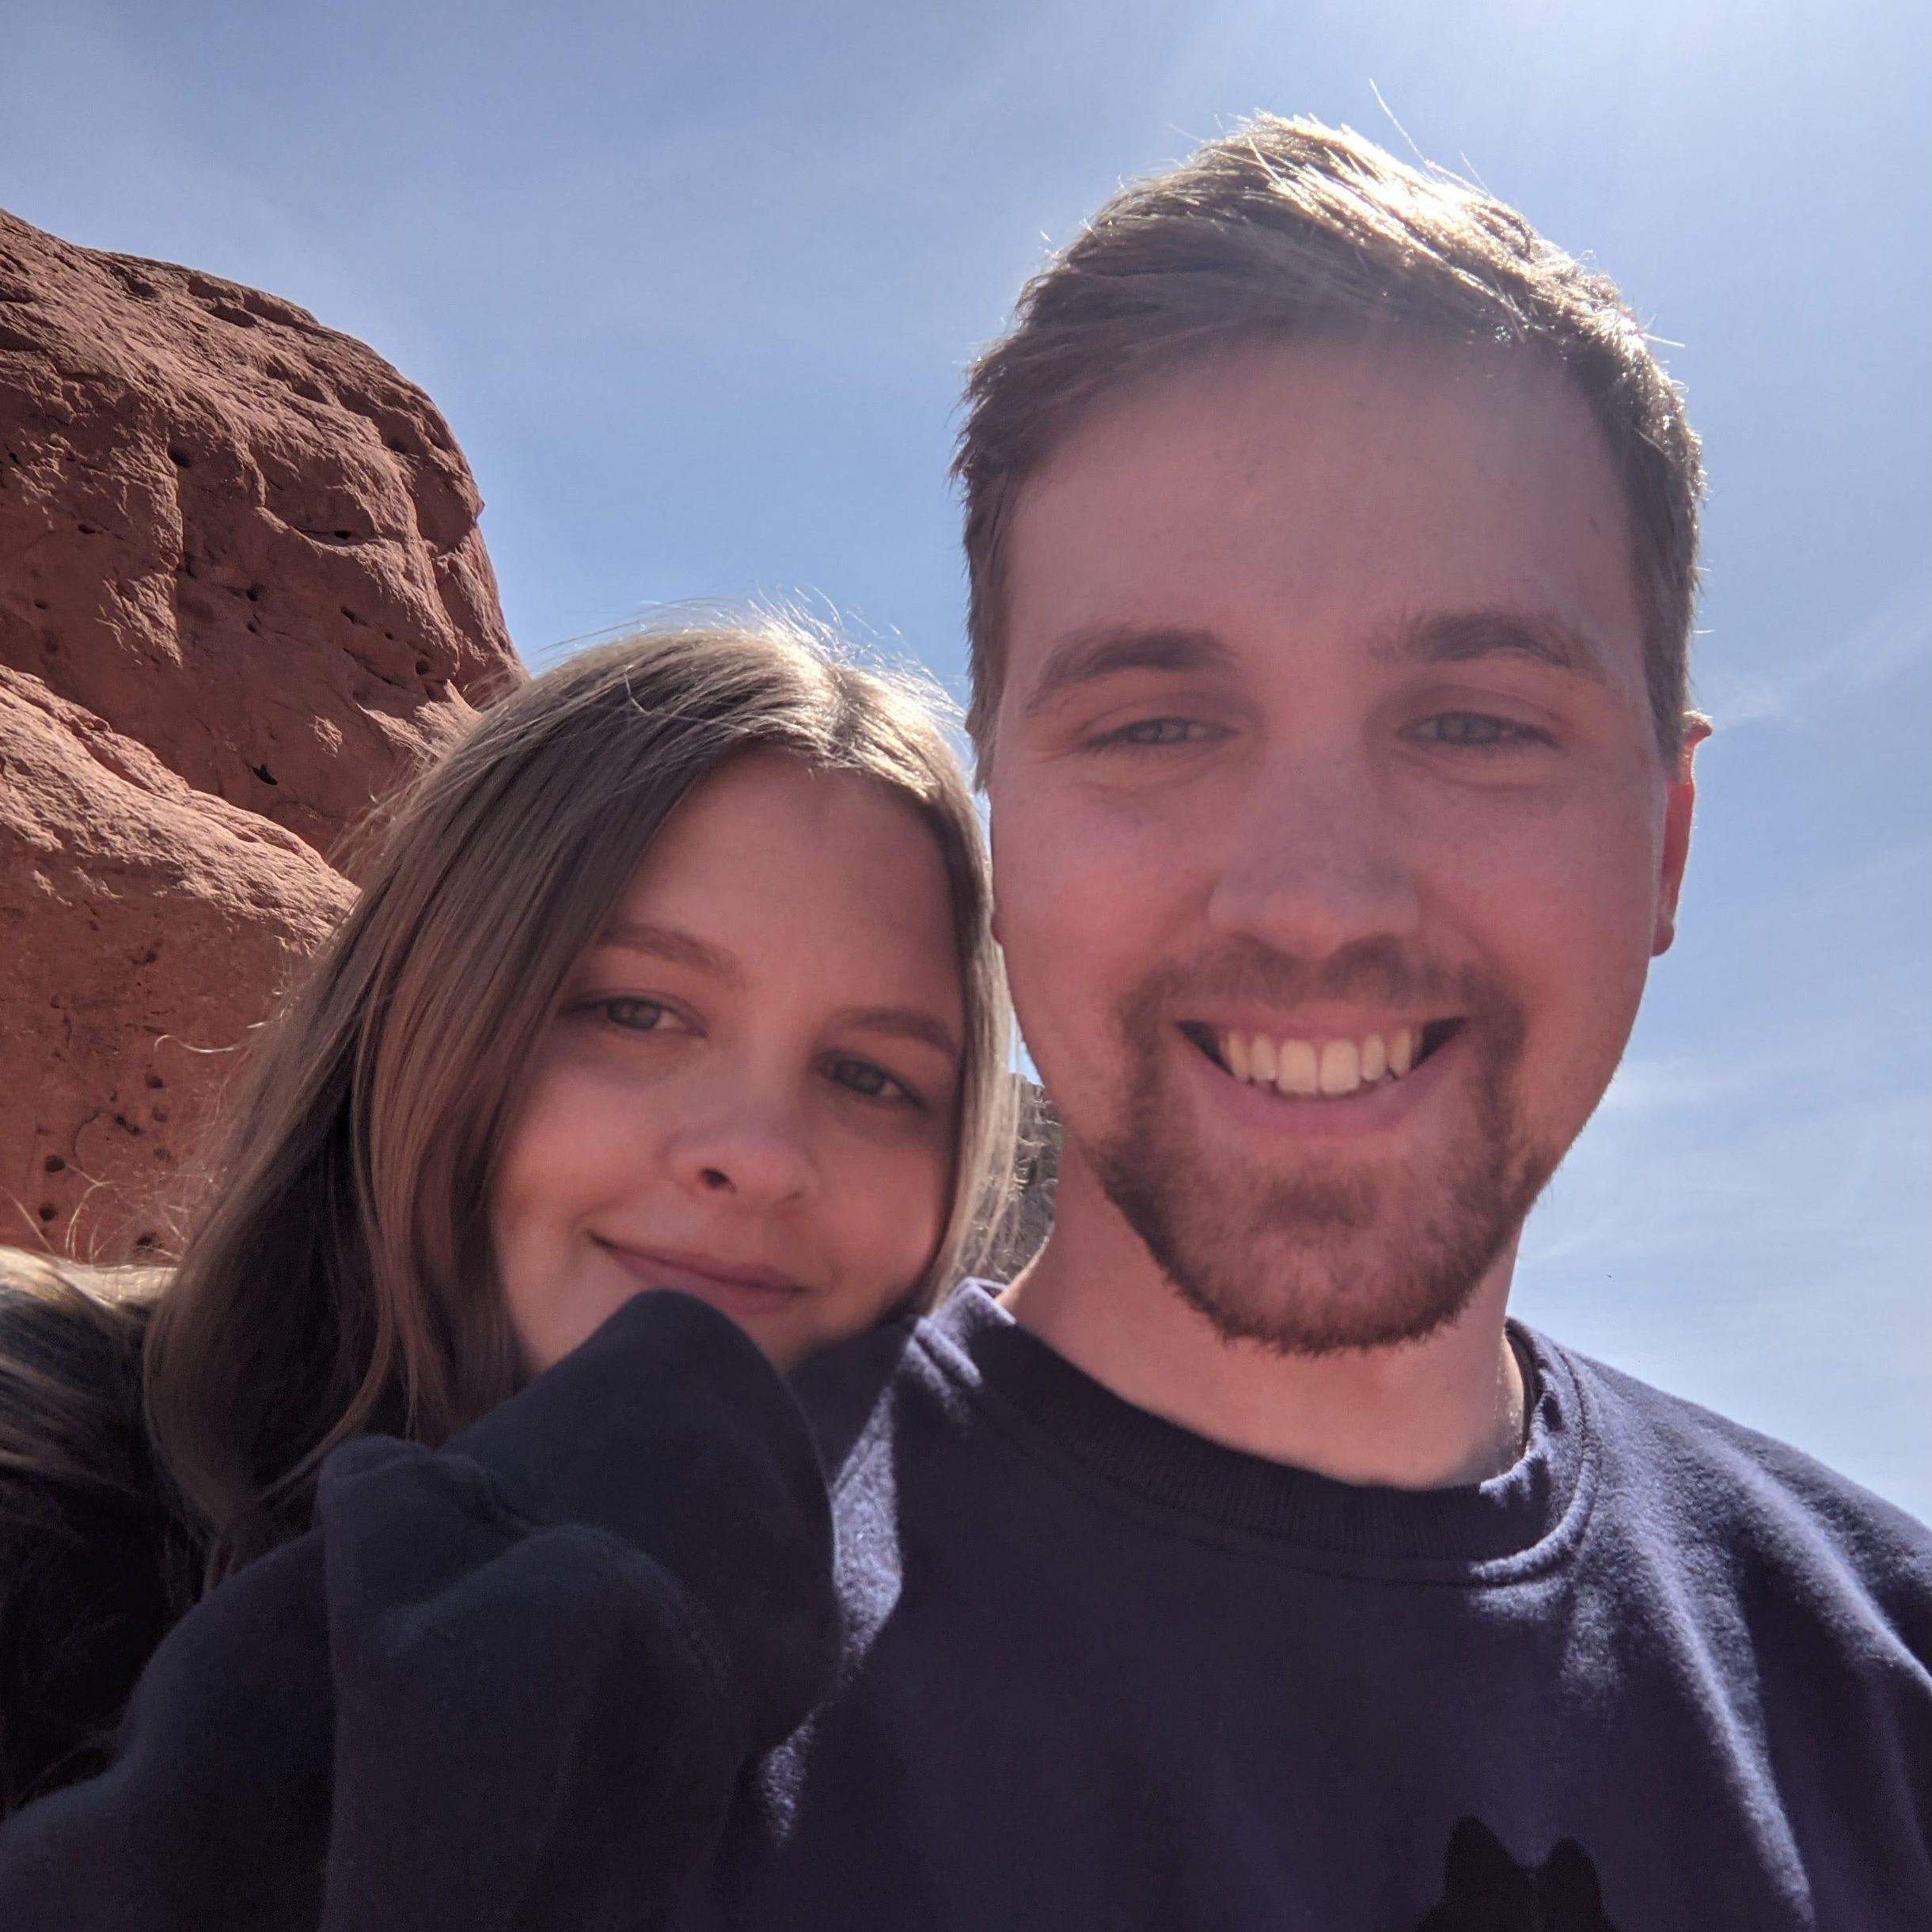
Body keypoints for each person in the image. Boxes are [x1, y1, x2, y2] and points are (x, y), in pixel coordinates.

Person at [674, 119, 1932, 1929]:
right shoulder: (596, 1673)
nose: (1315, 900)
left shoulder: (1887, 1701)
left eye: (1477, 723)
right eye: (1157, 726)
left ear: (1665, 843)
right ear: (1004, 828)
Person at [0, 615, 1016, 1926]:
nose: (760, 1156)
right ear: (428, 1005)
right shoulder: (36, 1474)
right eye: (636, 1010)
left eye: (871, 1076)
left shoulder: (963, 1711)